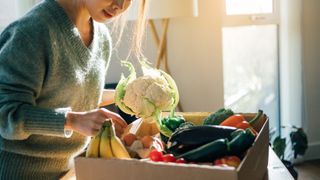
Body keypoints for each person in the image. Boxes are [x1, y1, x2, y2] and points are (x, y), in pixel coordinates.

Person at [0, 0, 147, 179]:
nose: (120, 5)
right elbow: (6, 115)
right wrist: (72, 120)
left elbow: (68, 94)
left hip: (68, 172)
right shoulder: (31, 32)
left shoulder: (101, 37)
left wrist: (126, 95)